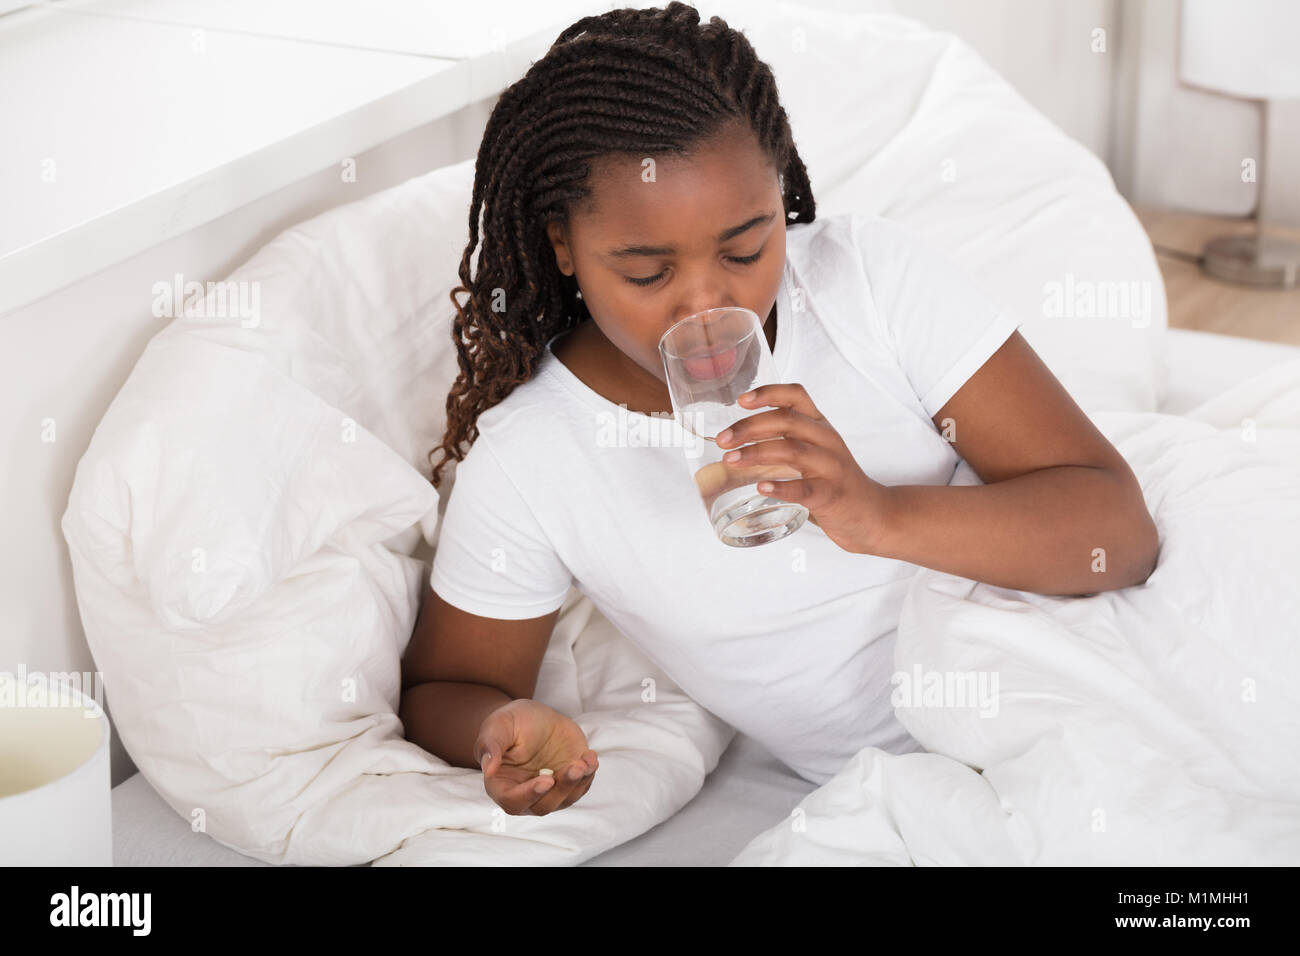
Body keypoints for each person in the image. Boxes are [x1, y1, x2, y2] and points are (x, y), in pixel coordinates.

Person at [399, 2, 1159, 819]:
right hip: (922, 787)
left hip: (1096, 673)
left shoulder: (865, 285)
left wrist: (879, 515)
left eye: (747, 248)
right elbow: (449, 686)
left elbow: (1118, 535)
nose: (707, 304)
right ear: (562, 247)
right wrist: (500, 728)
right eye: (648, 272)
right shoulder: (534, 457)